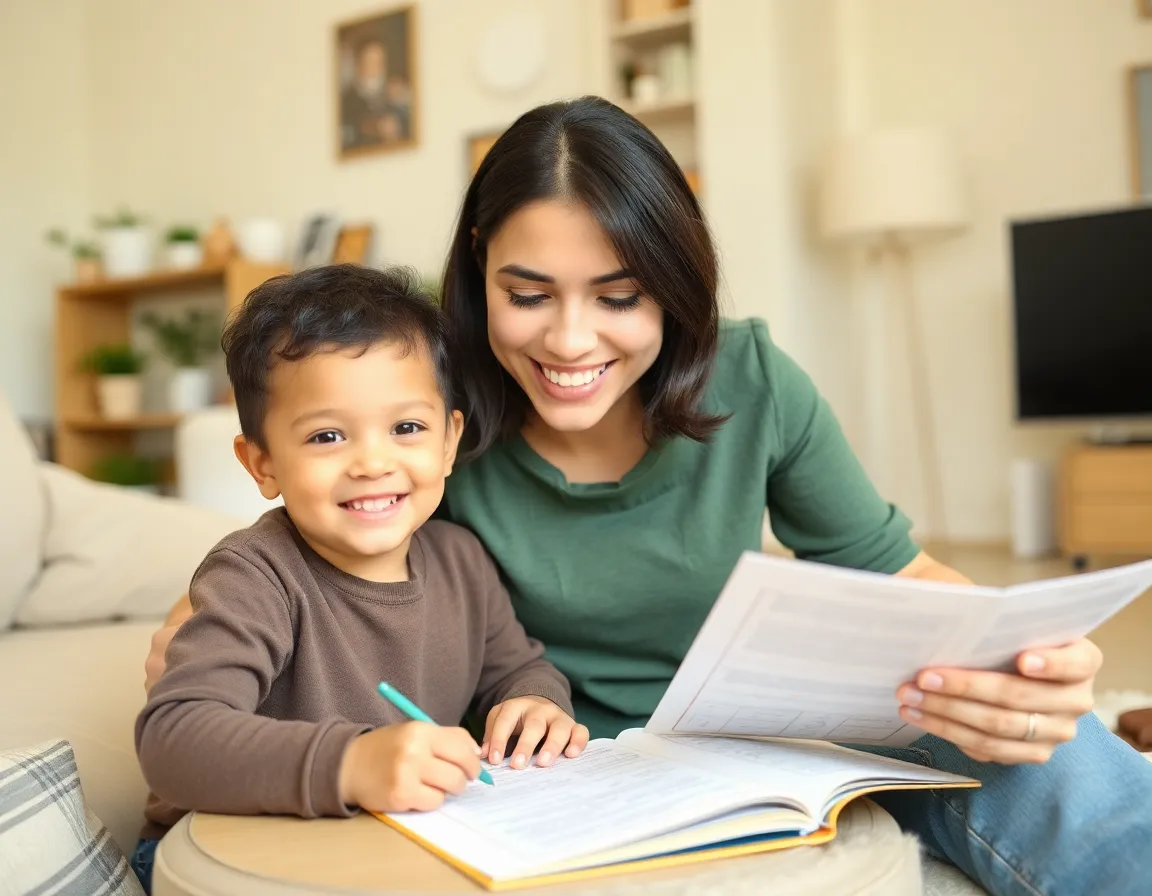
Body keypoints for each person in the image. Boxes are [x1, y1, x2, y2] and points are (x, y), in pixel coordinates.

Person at [145, 97, 1152, 895]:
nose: (570, 341)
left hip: (777, 736)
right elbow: (301, 549)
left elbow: (900, 573)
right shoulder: (427, 406)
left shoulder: (752, 379)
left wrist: (1020, 663)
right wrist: (201, 619)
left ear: (673, 283)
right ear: (479, 267)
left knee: (1050, 751)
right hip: (576, 768)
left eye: (620, 296)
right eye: (527, 294)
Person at [131, 265, 587, 893]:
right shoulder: (254, 574)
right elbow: (173, 742)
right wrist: (352, 764)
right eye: (327, 436)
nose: (373, 462)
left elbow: (518, 669)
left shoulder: (462, 560)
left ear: (449, 442)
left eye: (407, 428)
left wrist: (535, 702)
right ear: (262, 464)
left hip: (387, 853)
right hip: (229, 862)